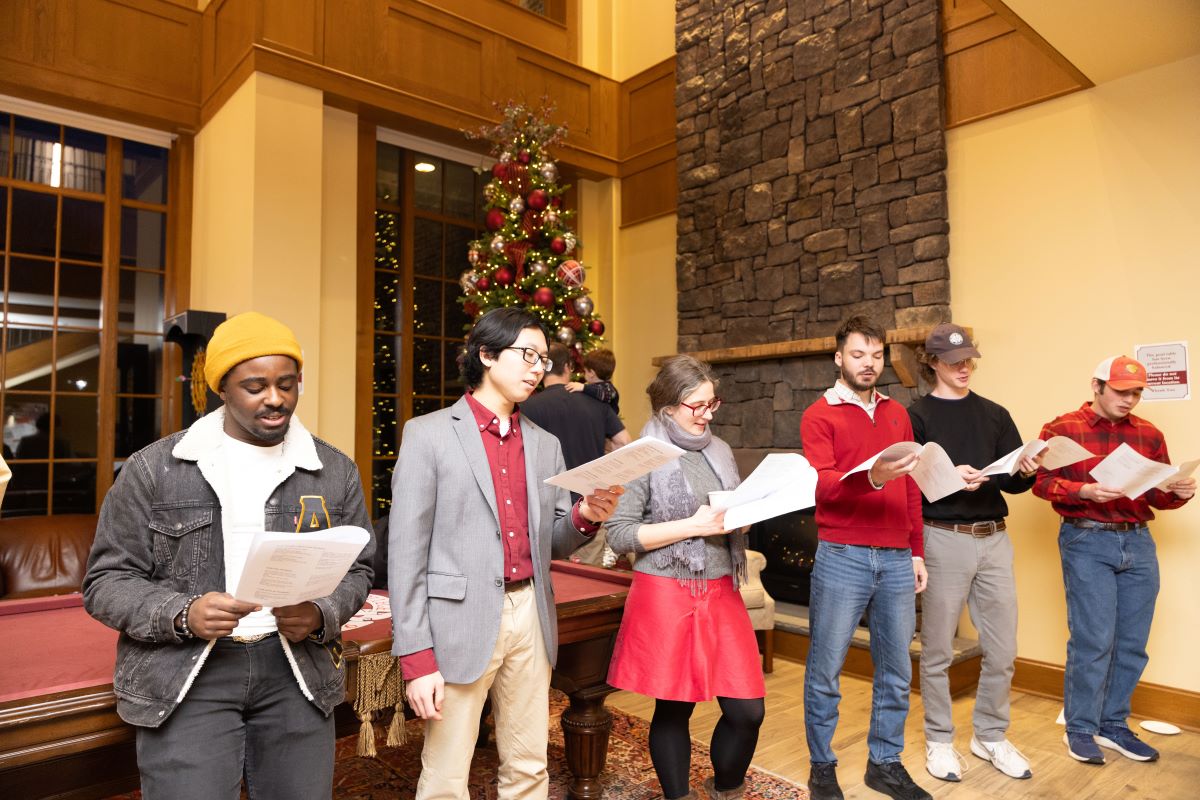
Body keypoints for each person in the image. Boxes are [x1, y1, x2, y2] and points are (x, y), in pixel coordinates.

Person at [82, 311, 374, 800]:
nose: (275, 398)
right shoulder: (154, 470)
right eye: (255, 386)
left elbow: (359, 566)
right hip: (187, 674)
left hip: (296, 672)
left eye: (287, 383)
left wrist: (320, 611)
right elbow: (106, 582)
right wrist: (183, 613)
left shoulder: (333, 470)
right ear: (222, 387)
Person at [389, 307, 622, 800]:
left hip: (530, 614)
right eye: (527, 355)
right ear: (487, 354)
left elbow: (552, 542)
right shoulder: (428, 434)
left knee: (528, 764)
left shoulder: (544, 444)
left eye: (543, 358)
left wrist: (587, 517)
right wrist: (416, 656)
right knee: (446, 775)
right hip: (459, 618)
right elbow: (406, 555)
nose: (538, 368)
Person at [605, 354, 765, 800]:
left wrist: (744, 516)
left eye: (713, 403)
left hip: (720, 588)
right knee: (674, 708)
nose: (709, 413)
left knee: (747, 710)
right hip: (666, 591)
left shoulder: (721, 450)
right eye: (698, 405)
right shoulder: (640, 457)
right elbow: (619, 535)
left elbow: (728, 512)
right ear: (668, 407)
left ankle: (725, 788)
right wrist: (694, 525)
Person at [1033, 355, 1194, 766]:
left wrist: (1177, 491)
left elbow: (1155, 494)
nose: (1130, 399)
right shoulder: (1062, 428)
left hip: (1138, 542)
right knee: (1093, 639)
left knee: (1132, 643)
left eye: (1137, 392)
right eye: (1122, 391)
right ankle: (1082, 728)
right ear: (1097, 385)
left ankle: (1114, 724)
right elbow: (1042, 482)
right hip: (1087, 539)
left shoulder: (1149, 434)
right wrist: (1083, 492)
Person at [799, 315, 931, 800]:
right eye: (858, 355)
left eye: (876, 355)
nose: (869, 364)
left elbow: (912, 485)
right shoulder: (819, 415)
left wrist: (916, 551)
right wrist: (872, 477)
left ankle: (885, 763)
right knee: (826, 670)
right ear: (839, 358)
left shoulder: (899, 413)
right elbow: (822, 486)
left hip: (897, 557)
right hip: (843, 555)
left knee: (896, 670)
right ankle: (821, 766)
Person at [908, 323, 1039, 783]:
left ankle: (989, 735)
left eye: (969, 360)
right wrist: (949, 478)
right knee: (939, 649)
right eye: (954, 362)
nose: (964, 368)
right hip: (942, 537)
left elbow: (1016, 482)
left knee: (1003, 649)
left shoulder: (995, 414)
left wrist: (1024, 470)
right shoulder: (916, 416)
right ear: (932, 364)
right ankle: (940, 741)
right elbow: (909, 488)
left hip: (995, 537)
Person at [521, 342, 631, 471]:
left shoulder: (526, 407)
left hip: (552, 489)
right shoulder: (598, 402)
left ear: (543, 368)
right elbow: (624, 442)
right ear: (567, 367)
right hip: (592, 488)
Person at [565, 346, 621, 415]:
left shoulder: (609, 389)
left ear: (591, 373)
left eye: (585, 371)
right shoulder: (592, 389)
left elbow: (604, 394)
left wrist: (583, 387)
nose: (584, 374)